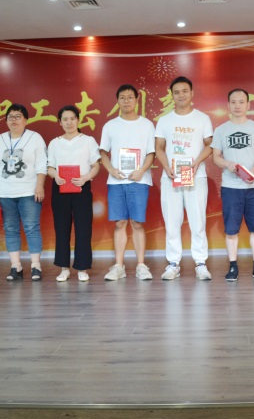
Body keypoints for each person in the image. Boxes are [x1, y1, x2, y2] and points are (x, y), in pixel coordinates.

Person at [155, 76, 214, 281]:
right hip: (170, 177)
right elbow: (159, 148)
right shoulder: (165, 120)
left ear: (192, 93)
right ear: (172, 95)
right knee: (172, 221)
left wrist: (197, 162)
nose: (181, 95)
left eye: (185, 91)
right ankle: (173, 263)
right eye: (177, 92)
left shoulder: (202, 118)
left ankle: (200, 263)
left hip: (196, 176)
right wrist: (167, 167)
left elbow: (210, 145)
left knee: (198, 221)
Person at [211, 88, 254, 281]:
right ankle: (233, 267)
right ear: (228, 105)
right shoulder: (221, 130)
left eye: (241, 102)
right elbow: (215, 157)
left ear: (248, 105)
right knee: (231, 230)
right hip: (231, 187)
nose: (237, 106)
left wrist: (252, 170)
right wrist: (227, 164)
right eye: (234, 102)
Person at [99, 85, 156, 281]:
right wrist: (111, 170)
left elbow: (151, 153)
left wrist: (141, 171)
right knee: (120, 222)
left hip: (139, 180)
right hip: (116, 181)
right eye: (122, 98)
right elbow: (103, 153)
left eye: (130, 97)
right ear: (117, 101)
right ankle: (119, 266)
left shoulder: (147, 125)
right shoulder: (110, 126)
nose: (126, 101)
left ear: (136, 100)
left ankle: (141, 265)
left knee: (137, 223)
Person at [0, 104, 48, 282]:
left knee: (31, 227)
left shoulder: (35, 138)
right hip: (6, 193)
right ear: (6, 121)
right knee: (10, 228)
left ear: (25, 120)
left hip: (29, 192)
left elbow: (42, 164)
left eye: (18, 116)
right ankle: (16, 266)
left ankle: (35, 266)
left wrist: (40, 185)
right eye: (10, 117)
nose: (14, 120)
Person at [47, 105, 101, 282]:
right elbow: (49, 167)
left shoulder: (88, 141)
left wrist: (86, 178)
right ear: (60, 122)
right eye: (65, 119)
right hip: (60, 188)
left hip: (81, 187)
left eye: (72, 118)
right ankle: (64, 268)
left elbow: (96, 166)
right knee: (61, 228)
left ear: (78, 120)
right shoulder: (54, 143)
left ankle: (82, 268)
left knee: (83, 228)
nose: (69, 122)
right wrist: (56, 176)